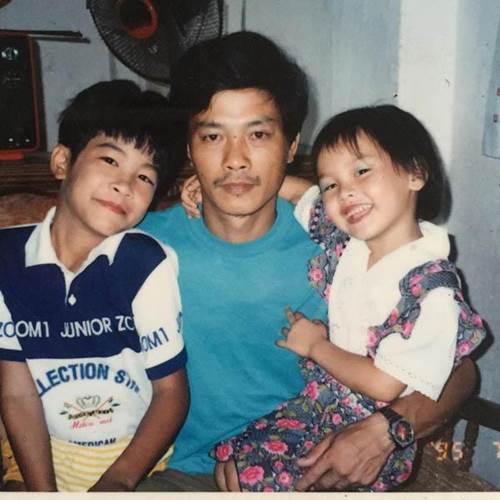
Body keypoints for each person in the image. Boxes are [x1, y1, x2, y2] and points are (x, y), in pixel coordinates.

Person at [137, 31, 478, 492]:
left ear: (291, 144)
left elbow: (462, 372)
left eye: (258, 135)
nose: (235, 160)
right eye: (213, 136)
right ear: (189, 147)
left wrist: (385, 431)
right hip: (184, 474)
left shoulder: (345, 247)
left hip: (315, 468)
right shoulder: (143, 247)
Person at [197, 104, 485, 491]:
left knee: (259, 480)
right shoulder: (347, 242)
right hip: (321, 403)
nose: (344, 191)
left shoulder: (430, 288)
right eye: (331, 184)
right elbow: (298, 192)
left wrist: (316, 346)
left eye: (362, 171)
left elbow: (386, 385)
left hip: (368, 424)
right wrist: (218, 182)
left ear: (415, 173)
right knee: (232, 461)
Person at [0, 80, 188, 492]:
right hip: (36, 455)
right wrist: (42, 492)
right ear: (62, 162)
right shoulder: (7, 260)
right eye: (109, 159)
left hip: (133, 460)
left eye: (145, 176)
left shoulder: (145, 263)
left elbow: (171, 392)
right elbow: (16, 394)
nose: (125, 184)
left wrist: (118, 481)